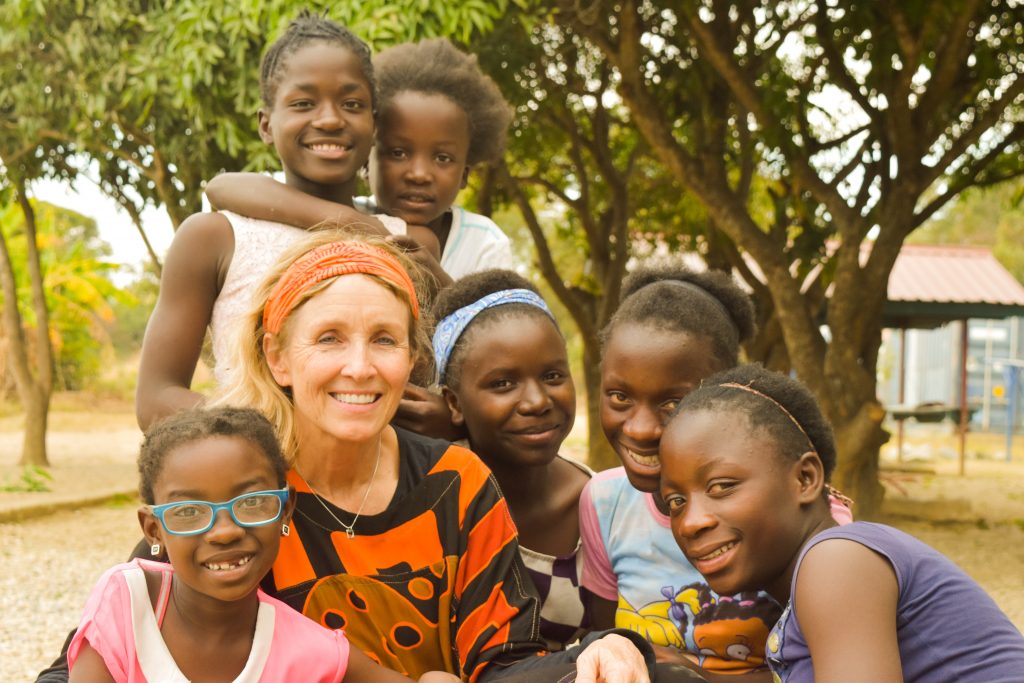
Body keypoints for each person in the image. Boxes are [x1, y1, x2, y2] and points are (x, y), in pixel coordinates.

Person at [134, 12, 433, 432]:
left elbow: (427, 384)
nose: (329, 119)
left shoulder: (406, 242)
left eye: (352, 104)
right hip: (259, 484)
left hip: (379, 486)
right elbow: (156, 397)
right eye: (302, 104)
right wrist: (289, 429)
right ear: (265, 125)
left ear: (375, 124)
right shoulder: (214, 238)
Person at [659, 364, 1024, 682]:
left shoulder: (836, 561)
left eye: (722, 486)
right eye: (676, 501)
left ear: (804, 479)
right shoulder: (812, 584)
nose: (691, 522)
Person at [579, 265, 852, 681]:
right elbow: (607, 641)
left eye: (673, 403)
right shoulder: (604, 502)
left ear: (727, 390)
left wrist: (688, 676)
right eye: (619, 396)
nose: (640, 428)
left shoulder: (811, 519)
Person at [67, 406, 458, 683]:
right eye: (190, 511)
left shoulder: (312, 651)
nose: (224, 531)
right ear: (153, 530)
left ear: (286, 510)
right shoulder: (126, 601)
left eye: (251, 503)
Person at [205, 37, 513, 282]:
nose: (419, 174)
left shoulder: (484, 243)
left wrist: (438, 281)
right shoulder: (360, 215)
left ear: (464, 174)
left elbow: (495, 329)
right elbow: (223, 187)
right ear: (368, 157)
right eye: (397, 153)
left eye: (443, 158)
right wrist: (357, 225)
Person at [432, 270, 593, 650]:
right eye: (503, 383)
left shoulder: (601, 506)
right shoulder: (437, 505)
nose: (537, 401)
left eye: (553, 375)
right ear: (453, 403)